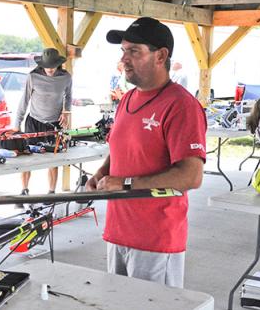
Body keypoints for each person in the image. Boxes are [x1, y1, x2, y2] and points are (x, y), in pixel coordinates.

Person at [86, 17, 207, 288]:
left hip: (155, 240)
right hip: (118, 231)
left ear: (160, 56)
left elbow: (191, 175)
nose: (124, 59)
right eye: (123, 51)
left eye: (134, 51)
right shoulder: (127, 99)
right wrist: (103, 172)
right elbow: (122, 148)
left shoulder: (181, 105)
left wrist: (126, 184)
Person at [14, 47, 72, 204]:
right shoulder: (33, 77)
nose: (50, 69)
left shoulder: (65, 77)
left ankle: (51, 193)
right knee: (28, 157)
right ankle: (24, 191)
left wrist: (66, 112)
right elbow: (24, 99)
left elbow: (69, 96)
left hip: (54, 123)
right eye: (47, 66)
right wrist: (16, 123)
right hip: (34, 121)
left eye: (53, 66)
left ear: (58, 64)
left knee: (53, 159)